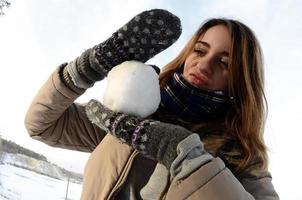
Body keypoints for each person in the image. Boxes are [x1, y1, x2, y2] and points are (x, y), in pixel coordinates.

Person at [24, 8, 279, 200]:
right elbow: (43, 125)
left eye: (224, 62)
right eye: (200, 51)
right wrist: (84, 71)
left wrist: (188, 157)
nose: (203, 64)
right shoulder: (130, 119)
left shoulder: (242, 156)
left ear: (241, 81)